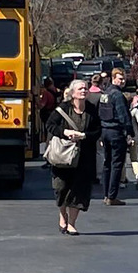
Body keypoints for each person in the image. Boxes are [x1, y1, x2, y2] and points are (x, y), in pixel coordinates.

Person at [45, 79, 101, 236]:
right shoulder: (63, 108)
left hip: (84, 157)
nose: (84, 91)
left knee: (79, 190)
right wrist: (65, 133)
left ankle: (71, 224)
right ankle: (62, 216)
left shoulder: (91, 109)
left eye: (85, 88)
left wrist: (83, 135)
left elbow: (97, 130)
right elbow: (50, 125)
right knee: (61, 188)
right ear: (72, 93)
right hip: (64, 156)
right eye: (80, 89)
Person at [98, 68, 133, 206]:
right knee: (116, 164)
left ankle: (106, 194)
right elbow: (123, 115)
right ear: (113, 78)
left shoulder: (105, 94)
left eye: (124, 78)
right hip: (116, 131)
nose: (122, 81)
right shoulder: (117, 95)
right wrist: (130, 132)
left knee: (107, 163)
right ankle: (112, 196)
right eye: (120, 78)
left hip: (105, 130)